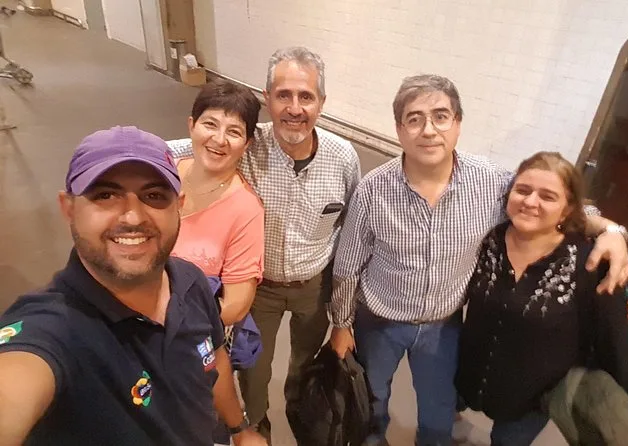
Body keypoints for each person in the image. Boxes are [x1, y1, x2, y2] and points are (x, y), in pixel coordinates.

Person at [328, 75, 628, 446]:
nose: (428, 130)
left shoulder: (491, 183)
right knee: (371, 401)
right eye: (414, 119)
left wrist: (613, 231)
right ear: (399, 129)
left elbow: (555, 202)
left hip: (443, 325)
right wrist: (341, 324)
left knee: (438, 412)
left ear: (457, 124)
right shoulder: (372, 190)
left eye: (441, 117)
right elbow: (347, 267)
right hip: (378, 321)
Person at [0, 126, 266, 446]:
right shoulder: (51, 330)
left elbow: (215, 361)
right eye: (105, 195)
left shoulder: (191, 282)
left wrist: (239, 430)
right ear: (68, 207)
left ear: (179, 206)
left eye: (154, 196)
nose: (133, 217)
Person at [168, 46, 361, 444]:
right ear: (267, 98)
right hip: (259, 289)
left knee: (304, 367)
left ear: (321, 102)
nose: (295, 108)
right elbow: (197, 144)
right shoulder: (248, 142)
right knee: (254, 372)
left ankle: (303, 420)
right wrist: (134, 154)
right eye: (283, 95)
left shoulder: (343, 158)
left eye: (306, 96)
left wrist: (343, 318)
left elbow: (351, 237)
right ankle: (257, 430)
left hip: (314, 287)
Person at [455, 152, 628, 445]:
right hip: (468, 374)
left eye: (548, 196)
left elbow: (613, 339)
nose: (530, 202)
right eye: (523, 190)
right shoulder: (489, 240)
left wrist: (627, 399)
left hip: (531, 398)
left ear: (567, 210)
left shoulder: (590, 264)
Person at [171, 79, 264, 327]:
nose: (219, 139)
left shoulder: (246, 209)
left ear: (247, 144)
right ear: (191, 125)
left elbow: (235, 306)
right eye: (210, 124)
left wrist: (164, 320)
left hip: (186, 332)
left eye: (234, 132)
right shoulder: (161, 176)